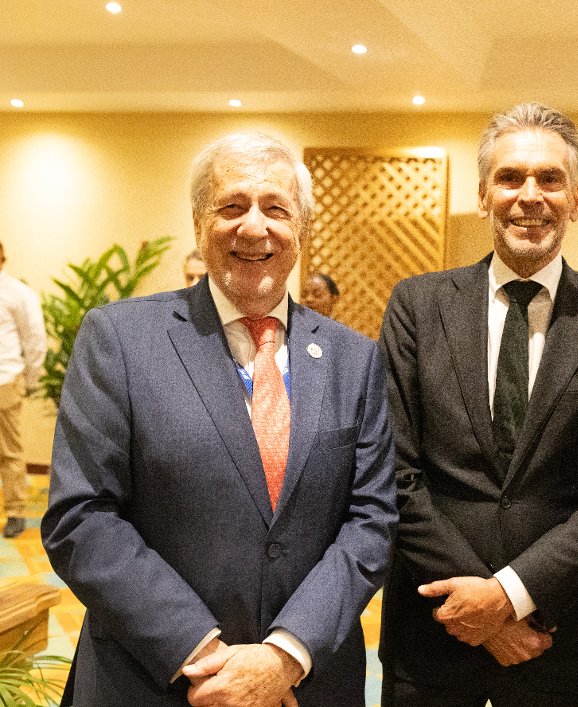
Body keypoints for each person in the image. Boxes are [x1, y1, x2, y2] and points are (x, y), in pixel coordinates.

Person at [42, 132, 397, 706]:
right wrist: (203, 654)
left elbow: (372, 518)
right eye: (232, 206)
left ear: (302, 226)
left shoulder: (355, 360)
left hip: (306, 682)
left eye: (276, 208)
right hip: (154, 679)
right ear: (198, 222)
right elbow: (81, 518)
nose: (254, 227)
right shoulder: (119, 340)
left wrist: (285, 655)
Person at [378, 102, 578, 706]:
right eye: (510, 178)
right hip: (432, 633)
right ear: (484, 195)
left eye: (550, 179)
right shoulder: (418, 307)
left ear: (575, 199)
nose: (530, 196)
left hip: (558, 640)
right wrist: (481, 612)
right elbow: (394, 472)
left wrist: (509, 595)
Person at [0, 242, 46, 539]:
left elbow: (34, 339)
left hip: (5, 379)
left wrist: (29, 379)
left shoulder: (17, 293)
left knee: (9, 451)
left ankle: (16, 512)